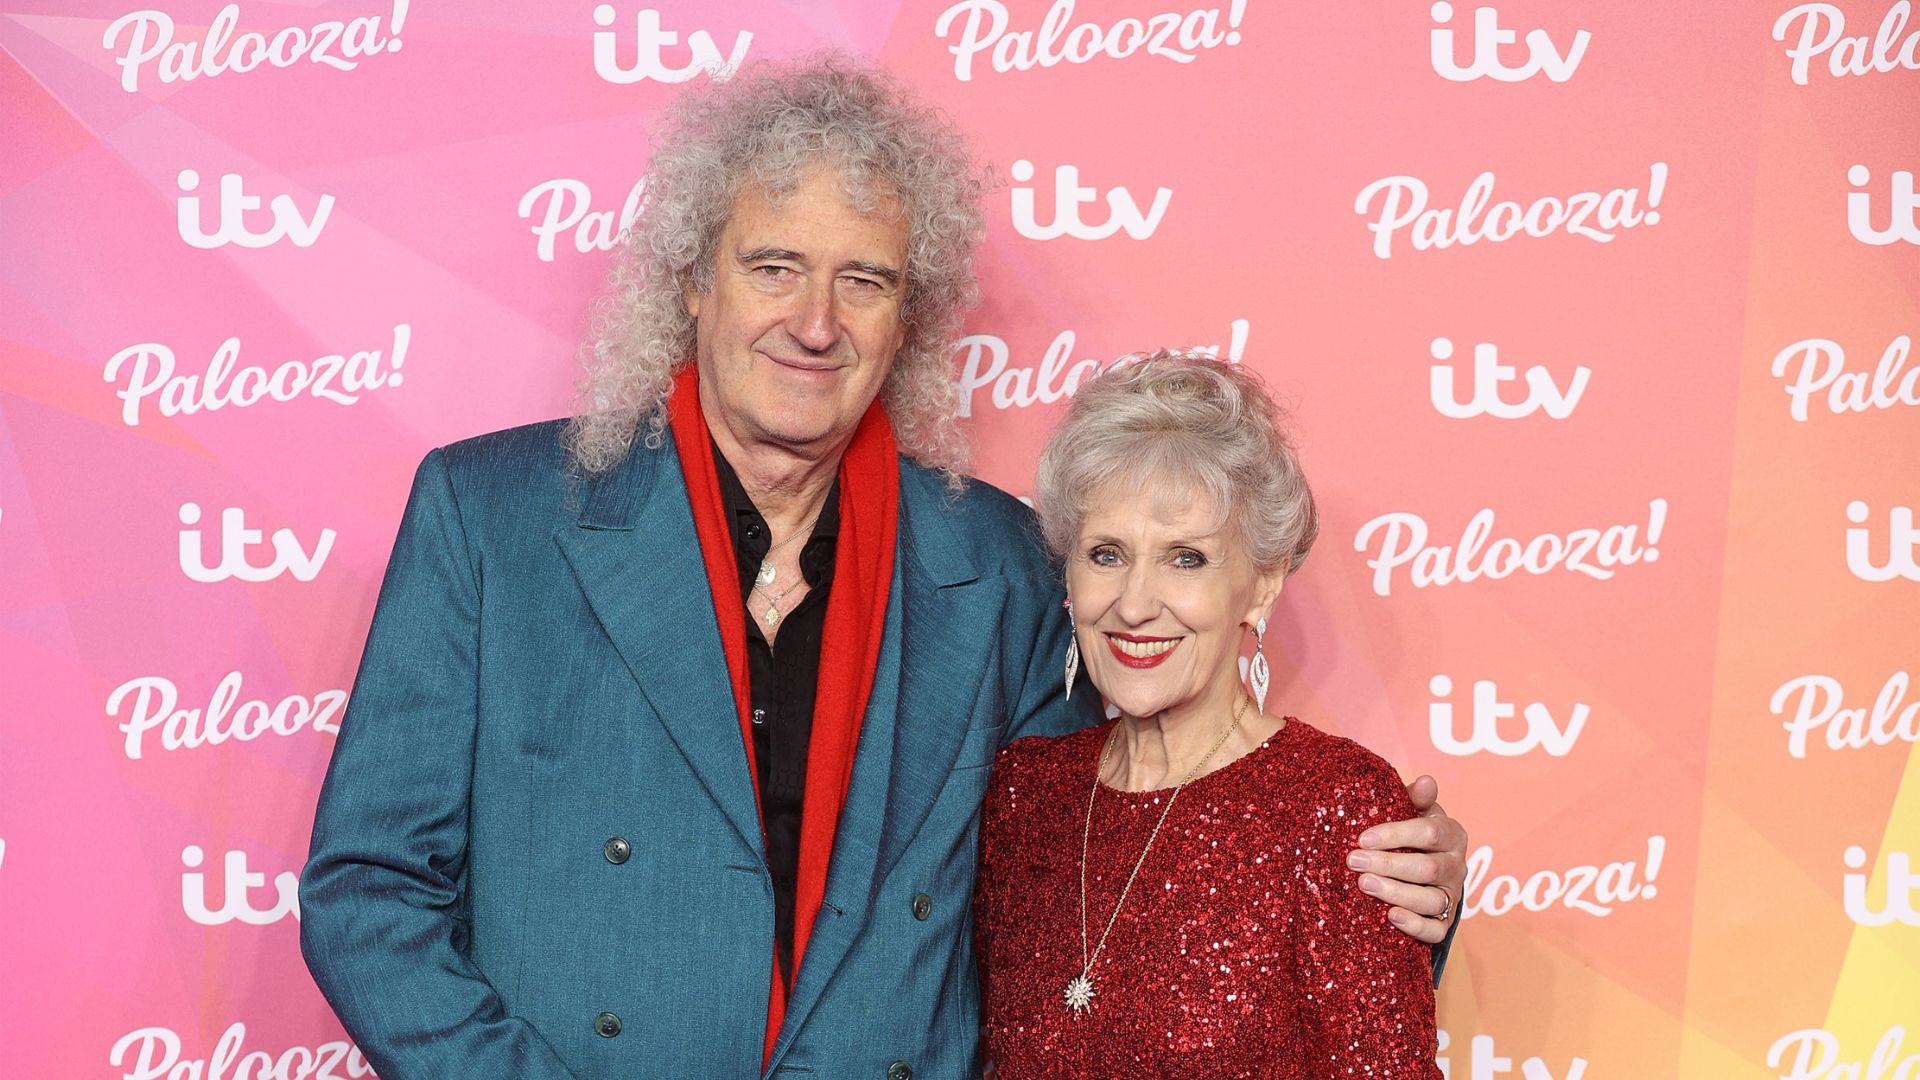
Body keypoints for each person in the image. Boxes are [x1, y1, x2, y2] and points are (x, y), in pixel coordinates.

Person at [299, 57, 1464, 1080]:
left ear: (909, 318)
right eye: (774, 267)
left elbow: (1108, 888)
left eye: (865, 280)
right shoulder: (492, 517)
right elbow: (368, 893)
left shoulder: (999, 560)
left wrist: (1380, 895)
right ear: (693, 280)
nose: (817, 322)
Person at [974, 353, 1443, 1077]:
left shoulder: (1333, 806)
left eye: (1185, 558)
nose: (1134, 604)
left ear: (1261, 585)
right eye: (1106, 554)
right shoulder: (1023, 793)